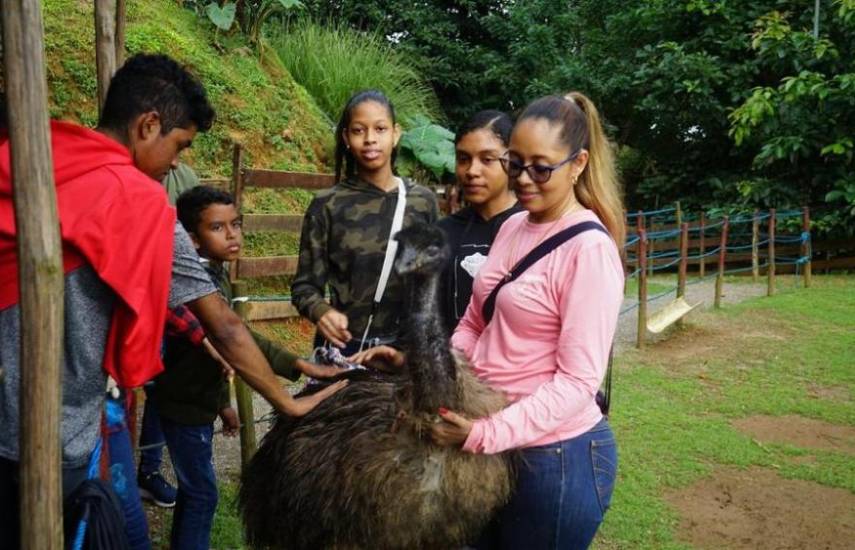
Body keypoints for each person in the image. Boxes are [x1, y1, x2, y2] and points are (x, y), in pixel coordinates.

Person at [0, 53, 344, 547]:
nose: (177, 161)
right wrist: (287, 402)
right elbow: (223, 325)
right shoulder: (137, 202)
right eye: (179, 144)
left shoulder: (33, 155)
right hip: (46, 430)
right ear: (148, 125)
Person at [352, 93, 625, 549]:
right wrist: (431, 370)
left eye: (541, 168)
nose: (524, 179)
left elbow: (578, 381)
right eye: (515, 164)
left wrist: (484, 433)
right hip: (491, 447)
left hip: (555, 457)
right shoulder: (515, 227)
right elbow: (475, 325)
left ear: (578, 164)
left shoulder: (589, 250)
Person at [146, 185, 343, 549]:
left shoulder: (214, 273)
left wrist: (223, 403)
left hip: (198, 402)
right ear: (191, 239)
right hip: (183, 404)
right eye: (217, 228)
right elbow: (230, 336)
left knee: (196, 491)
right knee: (202, 493)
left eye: (235, 224)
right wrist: (296, 363)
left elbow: (224, 352)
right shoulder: (193, 284)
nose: (232, 235)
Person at [292, 89, 439, 356]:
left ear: (395, 134)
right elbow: (305, 286)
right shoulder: (327, 205)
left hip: (400, 353)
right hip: (343, 349)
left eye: (380, 129)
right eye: (359, 130)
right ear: (346, 138)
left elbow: (431, 283)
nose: (370, 139)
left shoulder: (422, 202)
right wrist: (321, 312)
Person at [437, 110, 522, 331]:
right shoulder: (442, 234)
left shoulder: (535, 229)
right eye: (463, 159)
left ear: (512, 161)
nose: (472, 171)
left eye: (487, 159)